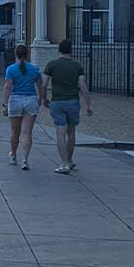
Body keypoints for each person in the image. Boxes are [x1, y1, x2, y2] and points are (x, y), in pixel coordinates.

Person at [42, 39, 94, 174]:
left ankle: (64, 163)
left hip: (57, 101)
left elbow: (44, 83)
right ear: (71, 50)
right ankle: (69, 160)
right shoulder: (77, 65)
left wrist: (43, 98)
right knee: (71, 132)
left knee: (60, 132)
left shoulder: (52, 65)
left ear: (59, 50)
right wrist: (88, 104)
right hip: (73, 101)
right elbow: (82, 86)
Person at [2, 45, 45, 170]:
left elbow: (7, 87)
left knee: (15, 131)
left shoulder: (11, 69)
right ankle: (25, 159)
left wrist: (5, 104)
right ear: (27, 54)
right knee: (27, 133)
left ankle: (13, 154)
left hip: (15, 100)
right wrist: (41, 99)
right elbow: (40, 86)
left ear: (15, 54)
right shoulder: (34, 69)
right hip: (31, 99)